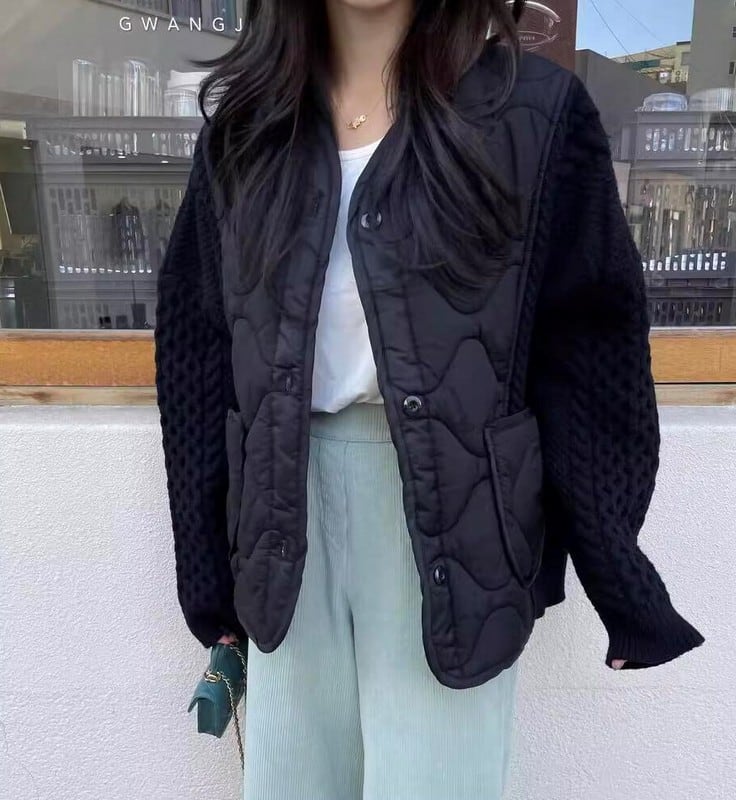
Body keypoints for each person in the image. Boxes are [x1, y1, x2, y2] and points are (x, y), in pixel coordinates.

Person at [154, 1, 705, 798]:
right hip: (281, 523)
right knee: (290, 783)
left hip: (457, 517)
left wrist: (612, 560)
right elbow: (199, 350)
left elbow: (588, 346)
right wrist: (207, 576)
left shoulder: (532, 112)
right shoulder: (248, 129)